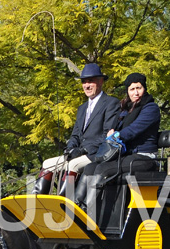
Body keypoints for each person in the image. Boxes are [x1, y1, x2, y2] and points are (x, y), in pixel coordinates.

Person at [73, 72, 160, 209]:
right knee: (90, 167)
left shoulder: (151, 108)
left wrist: (116, 135)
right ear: (128, 91)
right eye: (132, 89)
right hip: (127, 155)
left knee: (102, 168)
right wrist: (112, 132)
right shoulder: (126, 109)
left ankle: (87, 211)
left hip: (144, 157)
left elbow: (134, 129)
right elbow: (115, 127)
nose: (135, 92)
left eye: (139, 88)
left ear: (144, 89)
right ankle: (75, 206)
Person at [31, 63, 121, 196]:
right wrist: (70, 148)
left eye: (91, 81)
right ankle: (37, 201)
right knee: (48, 163)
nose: (87, 85)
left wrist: (84, 150)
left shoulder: (111, 103)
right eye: (84, 82)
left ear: (100, 81)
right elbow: (76, 135)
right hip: (78, 153)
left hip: (96, 154)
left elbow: (106, 136)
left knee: (72, 165)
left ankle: (63, 204)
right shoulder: (82, 108)